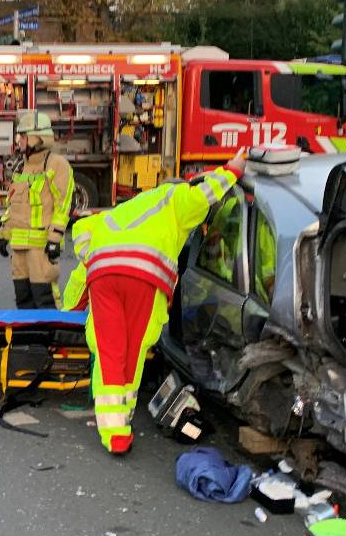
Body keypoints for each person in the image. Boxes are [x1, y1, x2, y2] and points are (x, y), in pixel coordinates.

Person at [62, 150, 246, 454]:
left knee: (109, 351)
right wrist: (233, 171)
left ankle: (113, 430)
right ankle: (123, 424)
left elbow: (82, 229)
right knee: (131, 351)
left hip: (103, 273)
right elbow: (203, 197)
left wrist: (89, 264)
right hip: (141, 277)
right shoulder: (176, 198)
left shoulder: (131, 206)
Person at [0, 110, 75, 309]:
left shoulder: (57, 165)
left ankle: (50, 338)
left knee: (45, 299)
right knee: (23, 300)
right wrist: (3, 234)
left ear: (38, 138)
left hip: (41, 250)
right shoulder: (20, 167)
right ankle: (28, 339)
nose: (19, 140)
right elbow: (12, 206)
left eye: (23, 136)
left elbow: (63, 205)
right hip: (19, 249)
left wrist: (55, 239)